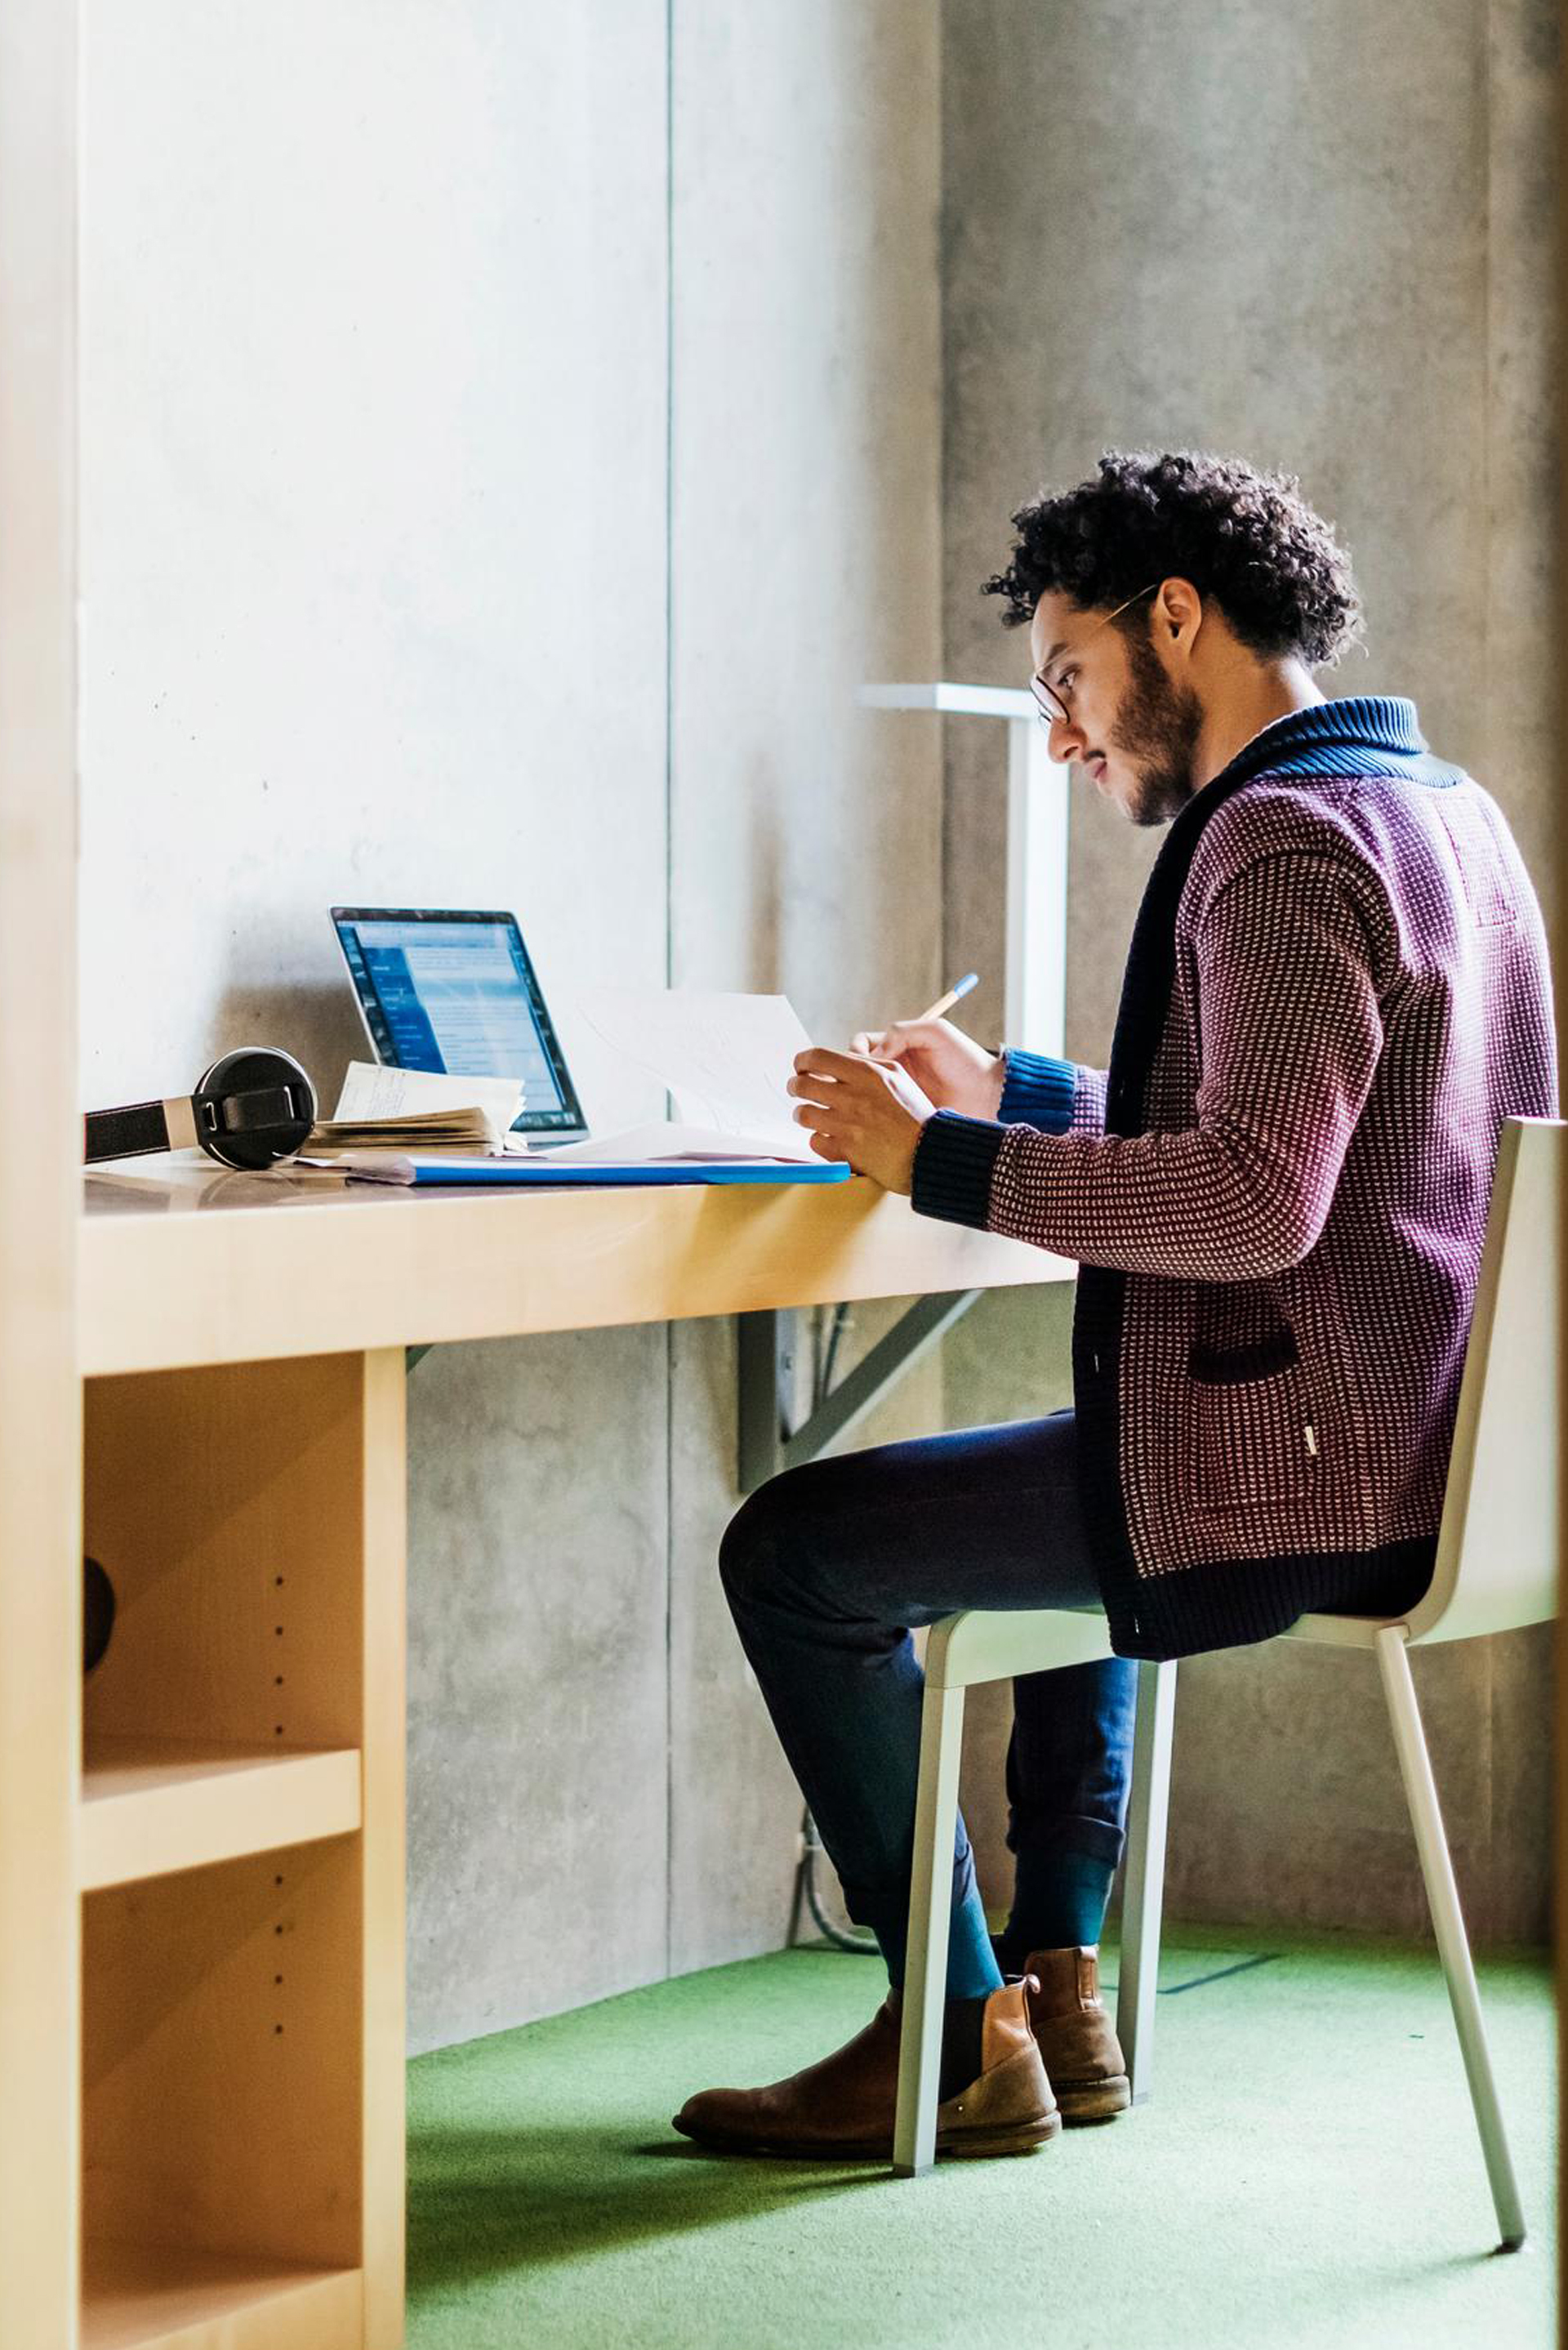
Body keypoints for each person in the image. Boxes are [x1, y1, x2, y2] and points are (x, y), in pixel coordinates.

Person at [672, 449, 1558, 2161]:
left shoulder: (1282, 836)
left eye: (1067, 677)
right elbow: (1305, 1139)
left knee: (791, 1552)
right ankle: (1057, 1992)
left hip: (1304, 1478)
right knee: (1106, 1454)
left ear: (1179, 617)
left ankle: (951, 2037)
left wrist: (936, 1161)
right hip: (1416, 1454)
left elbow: (1248, 1199)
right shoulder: (1442, 807)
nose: (1064, 737)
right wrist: (1005, 1093)